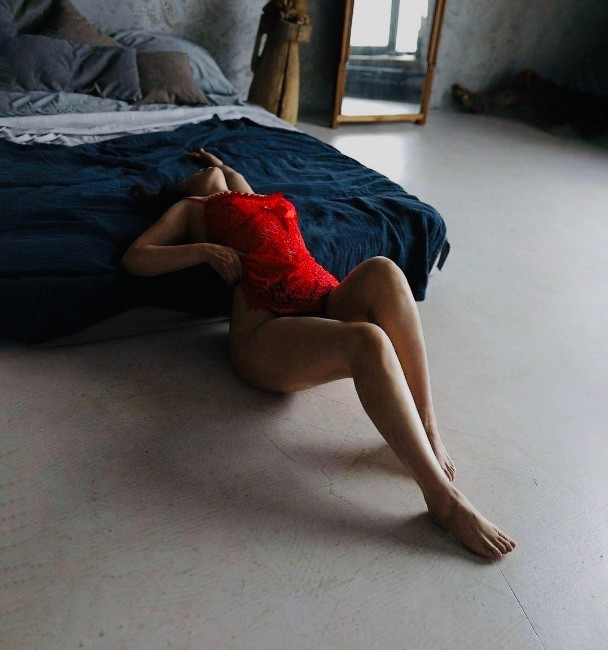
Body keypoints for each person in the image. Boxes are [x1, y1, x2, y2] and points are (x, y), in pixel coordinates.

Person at [121, 149, 517, 559]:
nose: (206, 172)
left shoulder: (249, 196)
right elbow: (137, 256)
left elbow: (230, 173)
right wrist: (204, 250)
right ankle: (442, 500)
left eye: (210, 168)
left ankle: (428, 426)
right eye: (197, 172)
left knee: (385, 269)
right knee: (368, 341)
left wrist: (216, 162)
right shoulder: (191, 208)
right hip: (266, 329)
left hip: (322, 299)